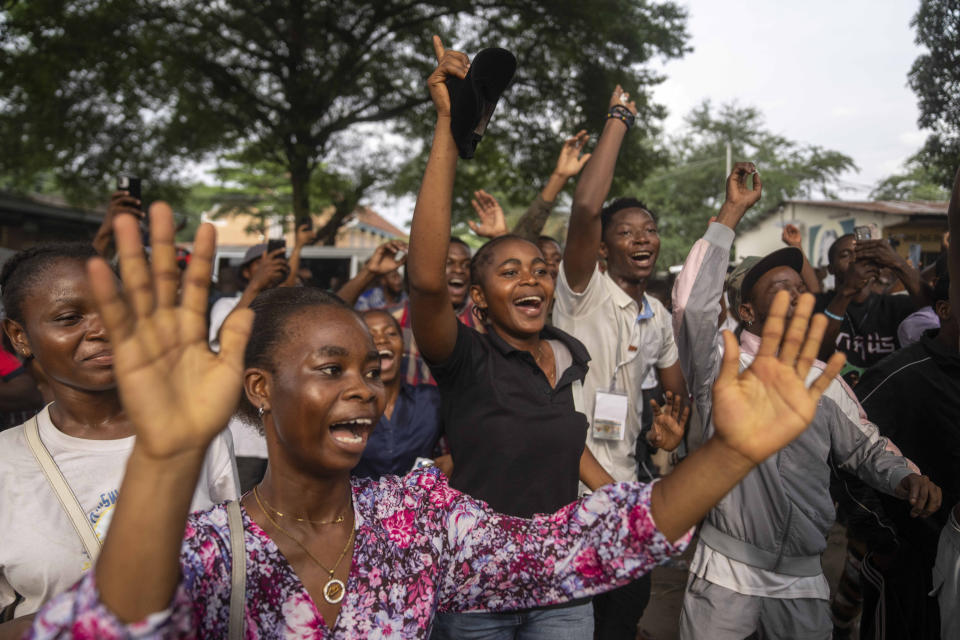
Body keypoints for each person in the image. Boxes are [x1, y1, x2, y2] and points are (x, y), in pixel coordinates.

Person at [27, 103, 850, 640]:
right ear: (258, 392)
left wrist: (730, 453)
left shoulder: (413, 518)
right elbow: (101, 627)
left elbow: (580, 546)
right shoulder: (206, 553)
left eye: (367, 366)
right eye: (329, 368)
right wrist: (167, 464)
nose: (362, 384)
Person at [407, 40, 623, 639]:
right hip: (476, 588)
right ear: (477, 298)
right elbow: (425, 280)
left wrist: (626, 507)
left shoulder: (568, 355)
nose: (529, 277)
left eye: (538, 268)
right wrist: (448, 128)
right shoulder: (466, 358)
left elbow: (556, 441)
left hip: (561, 586)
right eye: (507, 271)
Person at [672, 163, 942, 640]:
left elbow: (865, 448)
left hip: (802, 578)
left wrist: (906, 477)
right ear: (748, 311)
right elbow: (693, 306)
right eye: (780, 289)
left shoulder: (821, 377)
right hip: (727, 573)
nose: (797, 295)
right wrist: (732, 210)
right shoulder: (719, 363)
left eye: (801, 288)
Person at [0, 235, 239, 638]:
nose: (101, 329)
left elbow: (236, 577)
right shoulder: (7, 463)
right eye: (69, 317)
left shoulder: (198, 433)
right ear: (20, 337)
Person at [553, 85, 688, 639]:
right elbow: (586, 207)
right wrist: (618, 120)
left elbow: (674, 397)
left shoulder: (656, 313)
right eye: (626, 232)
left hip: (626, 490)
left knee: (620, 620)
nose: (643, 238)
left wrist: (669, 435)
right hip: (567, 495)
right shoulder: (581, 290)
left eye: (650, 230)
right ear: (603, 249)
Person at [849, 272, 960, 638]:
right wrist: (882, 543)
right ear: (944, 309)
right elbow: (844, 456)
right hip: (911, 570)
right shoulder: (898, 375)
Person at [816, 231, 932, 382]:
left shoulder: (894, 306)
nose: (855, 260)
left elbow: (934, 313)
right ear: (830, 269)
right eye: (846, 255)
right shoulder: (818, 303)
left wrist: (898, 263)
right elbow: (818, 354)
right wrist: (847, 291)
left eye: (861, 254)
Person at [351, 309, 447, 480]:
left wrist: (451, 461)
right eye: (370, 335)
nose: (381, 339)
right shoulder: (346, 408)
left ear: (403, 345)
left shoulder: (430, 400)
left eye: (391, 333)